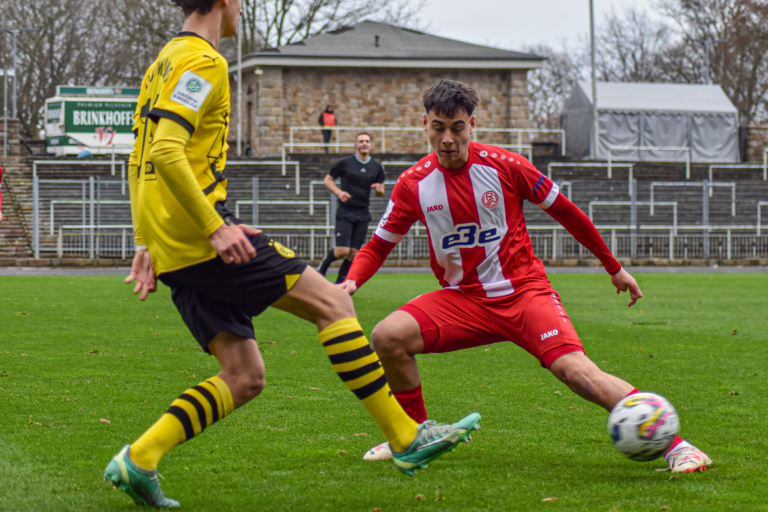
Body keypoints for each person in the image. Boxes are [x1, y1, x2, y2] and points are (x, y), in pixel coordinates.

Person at [103, 7, 480, 508]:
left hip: (174, 243)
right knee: (334, 305)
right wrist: (215, 227)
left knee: (243, 376)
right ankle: (406, 438)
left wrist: (145, 241)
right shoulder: (202, 60)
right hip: (200, 236)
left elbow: (140, 155)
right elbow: (166, 153)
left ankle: (141, 457)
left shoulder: (163, 63)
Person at [340, 80, 711, 474]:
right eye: (438, 127)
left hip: (524, 294)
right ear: (425, 124)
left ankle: (679, 447)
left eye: (457, 127)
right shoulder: (414, 183)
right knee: (387, 336)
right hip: (462, 300)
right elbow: (378, 245)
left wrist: (612, 266)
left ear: (473, 124)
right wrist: (352, 282)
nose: (447, 138)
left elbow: (567, 212)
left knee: (577, 373)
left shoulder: (507, 166)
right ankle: (412, 433)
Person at [317, 132, 384, 283]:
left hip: (363, 214)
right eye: (361, 141)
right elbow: (328, 180)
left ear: (371, 145)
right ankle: (323, 267)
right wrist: (339, 192)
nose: (364, 144)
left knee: (354, 253)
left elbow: (380, 189)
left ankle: (339, 285)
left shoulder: (376, 167)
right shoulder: (345, 163)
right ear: (356, 145)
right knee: (342, 251)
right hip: (346, 212)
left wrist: (379, 191)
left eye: (367, 141)